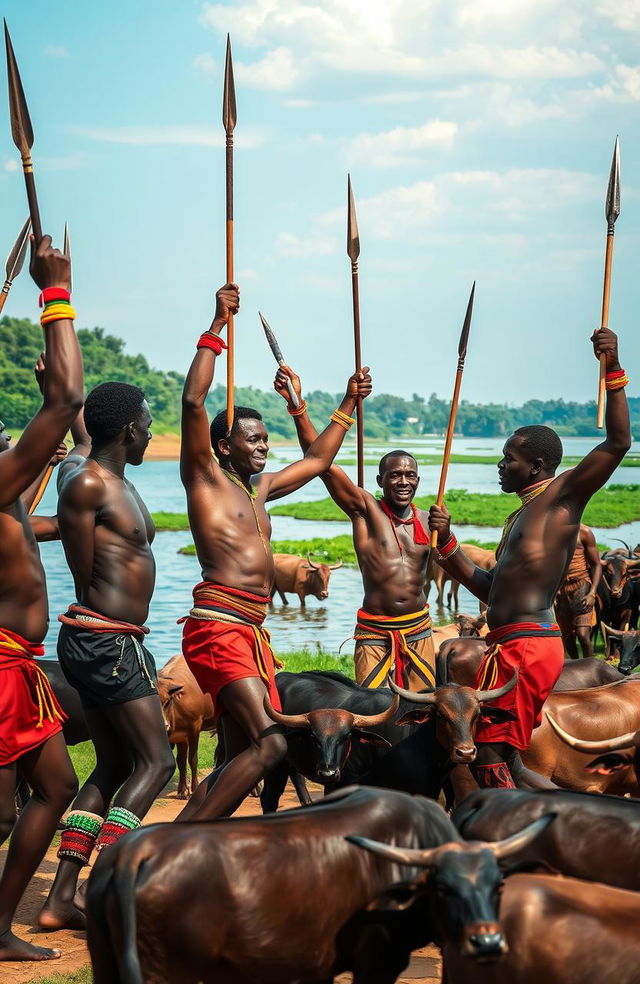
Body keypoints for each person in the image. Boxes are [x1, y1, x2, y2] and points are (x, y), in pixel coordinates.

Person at [178, 283, 371, 821]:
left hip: (252, 630)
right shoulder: (205, 479)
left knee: (240, 752)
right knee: (274, 744)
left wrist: (344, 403)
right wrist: (216, 326)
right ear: (223, 447)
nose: (264, 447)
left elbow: (316, 462)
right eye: (254, 440)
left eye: (266, 439)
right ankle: (178, 840)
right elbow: (194, 401)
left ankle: (198, 837)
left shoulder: (258, 489)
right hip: (218, 625)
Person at [429, 327, 630, 789]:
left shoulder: (562, 498)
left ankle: (536, 833)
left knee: (490, 758)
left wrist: (612, 367)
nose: (500, 466)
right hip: (506, 641)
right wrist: (446, 543)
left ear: (537, 466)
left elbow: (618, 442)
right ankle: (566, 820)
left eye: (508, 459)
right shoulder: (520, 517)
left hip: (529, 645)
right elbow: (487, 588)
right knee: (505, 760)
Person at [38, 382, 174, 931]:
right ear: (125, 432)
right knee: (158, 762)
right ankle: (105, 887)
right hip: (106, 641)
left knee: (117, 762)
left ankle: (59, 899)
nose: (148, 433)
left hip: (105, 639)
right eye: (144, 424)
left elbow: (78, 440)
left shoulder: (94, 472)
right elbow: (82, 563)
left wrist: (64, 398)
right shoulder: (90, 483)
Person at [0, 235, 84, 962]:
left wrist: (42, 427)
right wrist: (55, 293)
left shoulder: (6, 494)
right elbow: (70, 400)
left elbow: (35, 524)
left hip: (21, 667)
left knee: (55, 786)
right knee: (4, 809)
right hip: (3, 671)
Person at [276, 367, 434, 690]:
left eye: (409, 475)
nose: (403, 481)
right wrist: (299, 405)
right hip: (375, 632)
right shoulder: (365, 510)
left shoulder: (430, 521)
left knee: (423, 716)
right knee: (371, 717)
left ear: (418, 480)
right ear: (380, 481)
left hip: (419, 630)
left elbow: (459, 567)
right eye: (394, 475)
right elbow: (318, 461)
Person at [555, 523, 601, 659]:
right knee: (567, 635)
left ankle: (590, 666)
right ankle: (576, 665)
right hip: (562, 589)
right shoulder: (553, 532)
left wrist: (592, 593)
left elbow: (596, 564)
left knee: (582, 635)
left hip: (582, 586)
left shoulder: (584, 532)